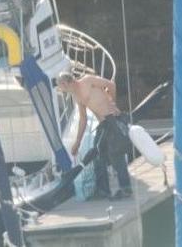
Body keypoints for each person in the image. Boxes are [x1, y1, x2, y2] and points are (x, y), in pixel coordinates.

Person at [57, 71, 132, 200]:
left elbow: (111, 85)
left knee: (116, 153)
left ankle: (126, 188)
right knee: (97, 154)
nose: (60, 88)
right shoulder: (77, 97)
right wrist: (77, 142)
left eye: (61, 86)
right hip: (103, 124)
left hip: (112, 118)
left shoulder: (88, 80)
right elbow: (83, 119)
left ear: (66, 83)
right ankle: (103, 190)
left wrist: (112, 103)